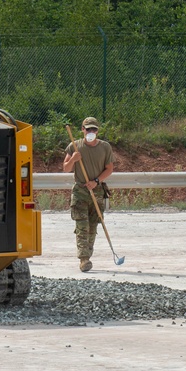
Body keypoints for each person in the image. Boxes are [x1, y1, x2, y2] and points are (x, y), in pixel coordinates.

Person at [62, 117, 115, 272]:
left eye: (94, 129)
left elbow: (109, 168)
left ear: (97, 131)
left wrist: (96, 181)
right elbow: (66, 168)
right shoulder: (74, 146)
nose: (91, 132)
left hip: (96, 191)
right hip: (80, 191)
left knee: (93, 225)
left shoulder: (105, 147)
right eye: (88, 129)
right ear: (83, 129)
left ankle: (88, 255)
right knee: (82, 225)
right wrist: (73, 159)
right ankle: (83, 259)